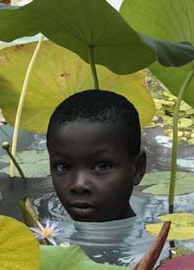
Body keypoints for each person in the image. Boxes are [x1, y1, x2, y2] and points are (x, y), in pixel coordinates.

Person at [46, 89, 147, 223]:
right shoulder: (34, 239)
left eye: (102, 166)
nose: (79, 185)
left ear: (137, 168)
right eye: (63, 166)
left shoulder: (163, 241)